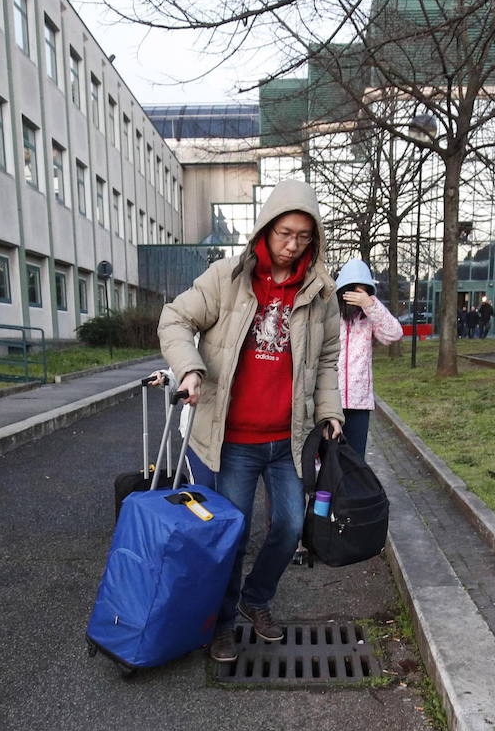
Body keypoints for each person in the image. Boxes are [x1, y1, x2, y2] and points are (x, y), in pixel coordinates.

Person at [158, 179, 343, 663]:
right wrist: (190, 369)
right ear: (266, 227)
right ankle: (219, 623)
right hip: (231, 441)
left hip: (287, 438)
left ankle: (255, 599)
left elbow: (326, 360)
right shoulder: (227, 278)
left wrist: (330, 413)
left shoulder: (320, 293)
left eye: (304, 236)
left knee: (289, 526)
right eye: (285, 233)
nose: (292, 245)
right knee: (229, 536)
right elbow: (174, 319)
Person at [333, 258, 402, 456]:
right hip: (329, 401)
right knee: (328, 461)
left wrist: (371, 305)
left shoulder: (369, 317)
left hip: (359, 403)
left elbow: (393, 334)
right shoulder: (329, 314)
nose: (357, 297)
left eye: (363, 291)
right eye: (353, 291)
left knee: (355, 462)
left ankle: (353, 489)